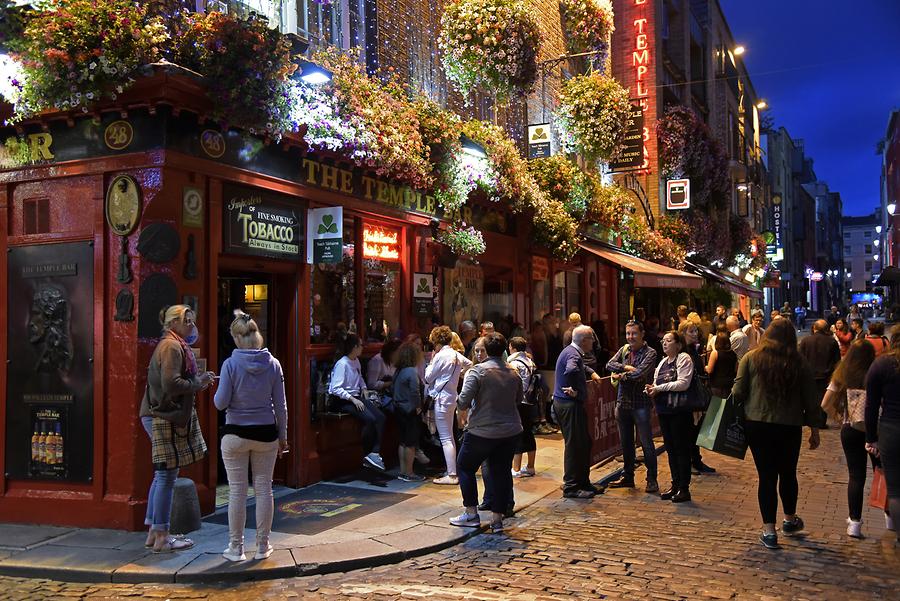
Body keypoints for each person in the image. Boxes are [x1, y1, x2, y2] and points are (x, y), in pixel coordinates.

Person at [731, 319, 822, 550]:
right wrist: (814, 428)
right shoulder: (799, 363)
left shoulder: (750, 358)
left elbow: (738, 392)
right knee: (788, 473)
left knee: (767, 476)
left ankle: (769, 531)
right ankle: (789, 521)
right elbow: (811, 399)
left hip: (757, 424)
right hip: (789, 425)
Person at [139, 305, 214, 553]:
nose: (192, 327)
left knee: (162, 473)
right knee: (166, 475)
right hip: (162, 416)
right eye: (188, 322)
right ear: (173, 324)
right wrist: (199, 382)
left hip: (160, 414)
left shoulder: (173, 344)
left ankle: (153, 531)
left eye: (193, 321)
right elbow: (171, 384)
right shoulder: (172, 346)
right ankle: (162, 534)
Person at [214, 311, 288, 562]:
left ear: (237, 338)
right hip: (266, 433)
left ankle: (236, 548)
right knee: (264, 490)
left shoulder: (230, 365)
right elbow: (281, 406)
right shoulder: (273, 364)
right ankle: (262, 546)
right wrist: (283, 437)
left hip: (235, 433)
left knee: (236, 491)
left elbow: (220, 403)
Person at [451, 333, 524, 533]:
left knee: (464, 466)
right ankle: (497, 519)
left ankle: (471, 513)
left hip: (482, 430)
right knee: (501, 471)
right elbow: (519, 399)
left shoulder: (477, 372)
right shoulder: (513, 371)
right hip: (510, 430)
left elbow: (463, 401)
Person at [821, 339, 880, 538]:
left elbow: (825, 404)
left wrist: (840, 419)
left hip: (851, 429)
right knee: (882, 472)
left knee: (856, 476)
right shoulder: (877, 374)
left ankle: (854, 523)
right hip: (876, 430)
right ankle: (890, 516)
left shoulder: (842, 375)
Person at [606, 321, 659, 492]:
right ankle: (628, 476)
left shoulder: (650, 353)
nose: (630, 337)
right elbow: (609, 365)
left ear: (642, 334)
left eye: (634, 333)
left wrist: (621, 376)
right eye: (628, 333)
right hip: (622, 403)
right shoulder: (624, 350)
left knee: (646, 443)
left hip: (641, 404)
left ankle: (652, 479)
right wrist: (626, 368)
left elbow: (640, 374)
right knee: (626, 444)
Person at [554, 325, 606, 498]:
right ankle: (571, 487)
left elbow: (579, 367)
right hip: (569, 404)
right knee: (575, 445)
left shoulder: (573, 352)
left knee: (584, 443)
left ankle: (583, 482)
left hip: (568, 403)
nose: (594, 341)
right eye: (591, 338)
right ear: (584, 341)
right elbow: (571, 369)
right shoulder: (572, 355)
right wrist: (574, 389)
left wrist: (591, 373)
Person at [646, 331, 695, 502]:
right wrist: (652, 389)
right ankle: (675, 484)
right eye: (663, 341)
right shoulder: (662, 363)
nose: (664, 344)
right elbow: (656, 383)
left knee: (681, 449)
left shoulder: (684, 359)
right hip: (664, 411)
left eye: (668, 340)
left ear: (678, 344)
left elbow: (683, 383)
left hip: (679, 412)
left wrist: (659, 389)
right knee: (671, 449)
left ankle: (684, 488)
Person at [329, 333, 386, 471]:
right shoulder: (342, 364)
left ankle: (375, 452)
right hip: (343, 400)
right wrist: (353, 399)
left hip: (355, 397)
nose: (362, 348)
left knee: (381, 417)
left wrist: (364, 388)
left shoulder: (356, 361)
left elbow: (359, 377)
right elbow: (336, 388)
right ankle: (367, 453)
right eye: (361, 345)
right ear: (354, 347)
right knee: (370, 419)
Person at [865, 330, 900, 547]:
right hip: (890, 427)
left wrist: (871, 437)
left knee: (896, 490)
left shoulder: (882, 364)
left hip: (891, 428)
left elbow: (871, 405)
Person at [425, 326, 473, 485]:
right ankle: (453, 470)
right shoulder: (456, 355)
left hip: (441, 399)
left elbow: (428, 377)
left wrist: (431, 361)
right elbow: (469, 364)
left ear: (436, 341)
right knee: (450, 437)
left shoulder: (440, 356)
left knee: (446, 438)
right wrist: (459, 375)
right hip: (452, 396)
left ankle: (452, 474)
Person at [678, 320, 715, 474]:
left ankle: (696, 460)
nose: (695, 334)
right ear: (683, 334)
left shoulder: (693, 349)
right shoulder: (682, 352)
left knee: (696, 429)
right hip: (688, 397)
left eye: (695, 331)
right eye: (691, 331)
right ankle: (691, 463)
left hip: (697, 395)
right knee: (689, 431)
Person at [392, 342, 426, 482]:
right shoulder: (411, 371)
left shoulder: (398, 370)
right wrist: (418, 407)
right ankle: (410, 473)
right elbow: (415, 392)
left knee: (403, 441)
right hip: (409, 410)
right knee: (411, 442)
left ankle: (403, 471)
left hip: (398, 408)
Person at [508, 337, 538, 478]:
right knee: (528, 433)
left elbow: (512, 384)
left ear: (512, 347)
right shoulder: (529, 361)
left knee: (517, 434)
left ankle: (516, 468)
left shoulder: (513, 363)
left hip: (518, 402)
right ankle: (530, 467)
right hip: (530, 402)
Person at [799, 319, 841, 408]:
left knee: (810, 404)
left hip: (809, 378)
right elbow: (837, 362)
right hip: (826, 378)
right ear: (826, 329)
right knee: (824, 405)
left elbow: (800, 360)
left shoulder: (805, 341)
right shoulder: (832, 342)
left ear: (814, 328)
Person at [706, 332, 738, 398]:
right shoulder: (733, 353)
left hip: (717, 384)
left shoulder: (715, 353)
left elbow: (709, 370)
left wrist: (705, 367)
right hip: (729, 383)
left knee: (716, 406)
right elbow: (736, 369)